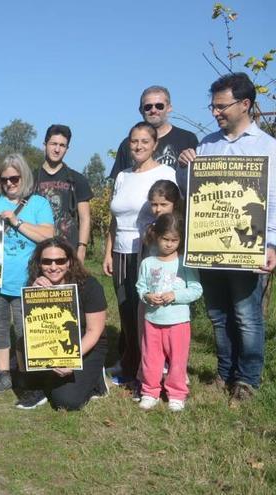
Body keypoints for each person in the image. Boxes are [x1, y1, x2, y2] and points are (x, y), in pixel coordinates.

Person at [178, 72, 276, 403]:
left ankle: (247, 381)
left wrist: (272, 243)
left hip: (248, 245)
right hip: (210, 245)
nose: (215, 112)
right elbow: (195, 194)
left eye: (221, 106)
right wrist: (185, 166)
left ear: (245, 104)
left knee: (247, 316)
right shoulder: (207, 144)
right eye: (213, 106)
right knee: (218, 315)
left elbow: (273, 198)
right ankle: (224, 373)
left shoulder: (267, 147)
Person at [103, 123, 177, 387]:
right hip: (121, 251)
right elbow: (114, 217)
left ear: (154, 144)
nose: (138, 146)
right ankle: (130, 362)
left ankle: (153, 368)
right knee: (125, 311)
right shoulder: (122, 175)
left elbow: (170, 212)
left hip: (147, 252)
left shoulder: (165, 172)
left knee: (145, 311)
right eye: (134, 141)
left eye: (145, 141)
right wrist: (108, 251)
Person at [0, 154, 55, 394]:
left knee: (25, 330)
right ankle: (4, 374)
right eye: (4, 179)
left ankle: (26, 374)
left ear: (23, 177)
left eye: (14, 178)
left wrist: (16, 221)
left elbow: (47, 235)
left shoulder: (38, 204)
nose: (9, 184)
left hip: (27, 279)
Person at [15, 238, 109, 410]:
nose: (53, 267)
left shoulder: (90, 286)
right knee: (21, 341)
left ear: (69, 262)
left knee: (66, 402)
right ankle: (36, 386)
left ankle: (97, 380)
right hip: (52, 339)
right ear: (39, 263)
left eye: (60, 261)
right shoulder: (35, 284)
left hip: (85, 343)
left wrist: (71, 359)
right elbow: (30, 325)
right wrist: (34, 295)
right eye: (46, 261)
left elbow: (94, 331)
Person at [136, 213, 202, 412]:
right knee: (150, 358)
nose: (169, 244)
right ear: (156, 236)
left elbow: (196, 290)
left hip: (178, 321)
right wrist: (147, 296)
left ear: (180, 240)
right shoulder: (147, 263)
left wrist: (175, 295)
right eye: (165, 239)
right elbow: (140, 287)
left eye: (174, 240)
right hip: (152, 320)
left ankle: (176, 393)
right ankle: (149, 392)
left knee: (178, 359)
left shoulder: (185, 263)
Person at [109, 85, 199, 197]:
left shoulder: (187, 139)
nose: (153, 110)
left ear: (169, 108)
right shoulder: (128, 144)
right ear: (141, 110)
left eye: (159, 106)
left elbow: (197, 182)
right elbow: (118, 187)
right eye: (148, 107)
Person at [34, 124, 93, 260]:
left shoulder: (77, 179)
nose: (57, 149)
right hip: (38, 252)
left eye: (62, 145)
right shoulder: (30, 179)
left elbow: (85, 218)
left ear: (67, 149)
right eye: (53, 144)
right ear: (45, 145)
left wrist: (82, 248)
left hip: (68, 251)